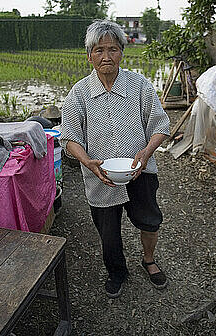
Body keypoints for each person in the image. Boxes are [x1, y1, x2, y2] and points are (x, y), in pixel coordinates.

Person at [60, 19, 170, 298]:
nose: (106, 56)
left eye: (112, 49)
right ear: (89, 56)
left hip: (139, 170)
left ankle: (148, 260)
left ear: (122, 52)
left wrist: (146, 153)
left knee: (149, 220)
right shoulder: (79, 93)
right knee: (108, 232)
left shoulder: (139, 86)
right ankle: (117, 272)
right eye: (99, 50)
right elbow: (69, 136)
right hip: (100, 176)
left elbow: (160, 125)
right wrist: (87, 161)